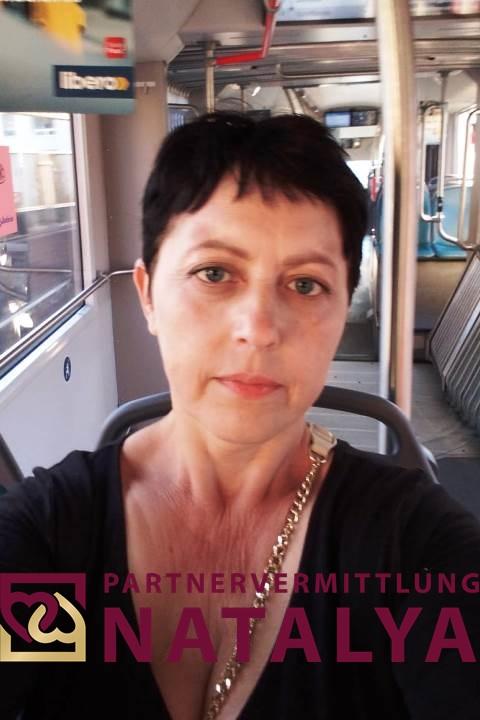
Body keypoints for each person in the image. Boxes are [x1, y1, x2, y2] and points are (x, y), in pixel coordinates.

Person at [1, 112, 479, 720]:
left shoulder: (409, 551)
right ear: (148, 295)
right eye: (214, 273)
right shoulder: (51, 541)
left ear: (342, 311)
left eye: (305, 285)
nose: (258, 329)